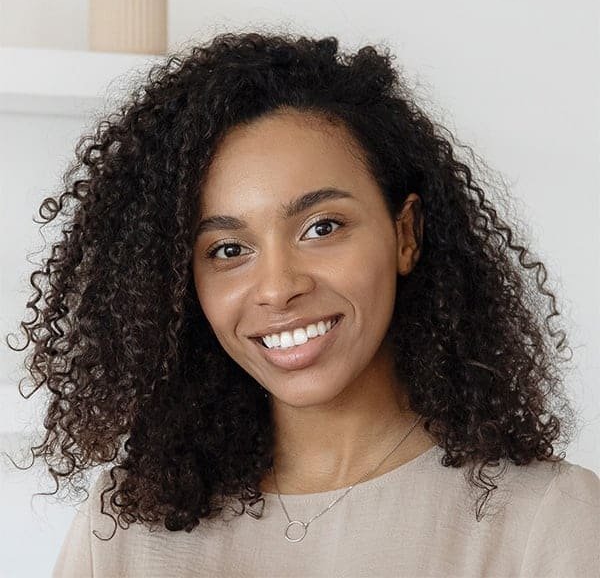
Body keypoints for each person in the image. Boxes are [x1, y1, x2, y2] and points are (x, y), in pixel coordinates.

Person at [6, 31, 598, 577]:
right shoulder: (125, 530)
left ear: (406, 234)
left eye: (322, 227)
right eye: (229, 249)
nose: (277, 287)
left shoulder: (545, 521)